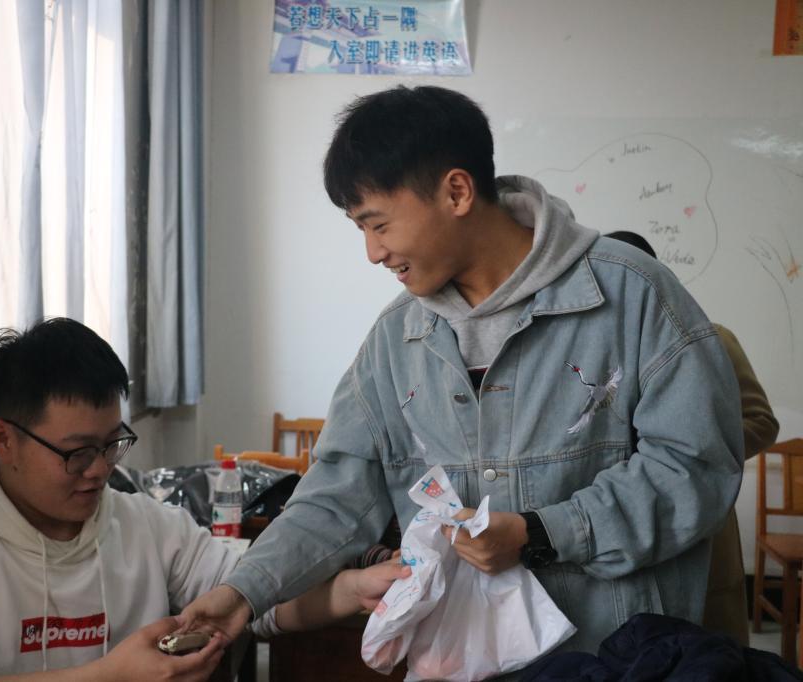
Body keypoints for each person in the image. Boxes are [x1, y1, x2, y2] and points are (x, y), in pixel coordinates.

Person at [180, 85, 746, 673]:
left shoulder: (634, 295)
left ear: (456, 191)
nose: (373, 253)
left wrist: (541, 533)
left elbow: (696, 469)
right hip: (459, 663)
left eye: (379, 224)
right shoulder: (395, 340)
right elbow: (334, 495)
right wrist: (242, 592)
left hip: (617, 659)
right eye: (360, 230)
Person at [0, 318, 406, 682]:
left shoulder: (148, 527)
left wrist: (350, 590)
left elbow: (253, 597)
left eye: (112, 443)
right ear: (4, 439)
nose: (100, 470)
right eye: (76, 452)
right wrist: (106, 676)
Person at [606, 230, 780, 645]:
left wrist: (693, 446)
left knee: (710, 650)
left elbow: (762, 422)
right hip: (623, 529)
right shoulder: (597, 354)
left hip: (701, 524)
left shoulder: (712, 339)